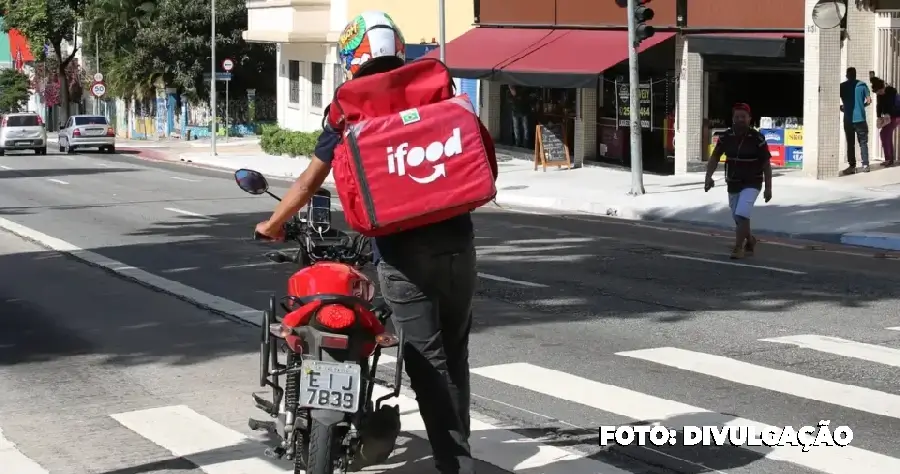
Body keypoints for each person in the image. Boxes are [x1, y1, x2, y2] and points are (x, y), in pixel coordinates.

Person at [254, 11, 480, 474]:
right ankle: (460, 450)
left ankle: (456, 466)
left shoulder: (350, 106)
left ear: (350, 59)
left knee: (428, 364)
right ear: (397, 47)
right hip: (458, 239)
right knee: (454, 357)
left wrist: (273, 223)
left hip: (401, 251)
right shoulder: (434, 85)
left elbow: (309, 183)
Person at [704, 103, 773, 260]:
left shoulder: (758, 138)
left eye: (743, 117)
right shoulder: (725, 137)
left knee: (741, 214)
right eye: (737, 117)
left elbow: (766, 165)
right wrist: (708, 177)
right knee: (738, 217)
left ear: (749, 119)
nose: (740, 120)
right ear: (733, 118)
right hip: (733, 182)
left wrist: (768, 188)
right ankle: (750, 240)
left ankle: (738, 248)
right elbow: (715, 157)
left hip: (752, 183)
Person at [839, 67, 872, 174]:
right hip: (860, 119)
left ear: (847, 75)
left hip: (848, 119)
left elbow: (835, 100)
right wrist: (861, 106)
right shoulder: (862, 85)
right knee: (863, 142)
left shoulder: (842, 86)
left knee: (850, 143)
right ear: (855, 75)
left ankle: (852, 166)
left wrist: (843, 108)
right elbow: (869, 100)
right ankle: (865, 165)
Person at [871, 77, 900, 167]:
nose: (879, 94)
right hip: (889, 116)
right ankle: (889, 158)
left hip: (896, 115)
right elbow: (879, 106)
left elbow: (895, 105)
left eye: (880, 91)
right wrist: (879, 117)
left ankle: (889, 159)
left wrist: (889, 114)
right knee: (885, 134)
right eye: (877, 93)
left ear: (883, 88)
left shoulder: (892, 92)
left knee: (884, 134)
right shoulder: (880, 95)